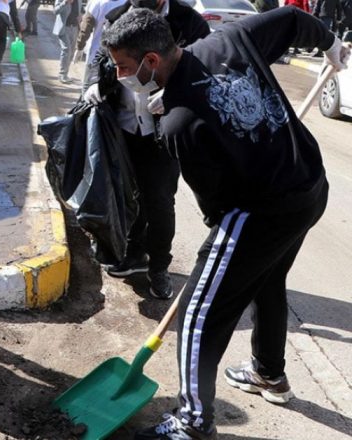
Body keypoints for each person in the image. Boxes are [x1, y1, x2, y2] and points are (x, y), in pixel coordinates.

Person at [100, 8, 349, 439]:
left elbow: (218, 210)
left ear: (151, 61)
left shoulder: (179, 124)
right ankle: (269, 374)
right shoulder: (229, 40)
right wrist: (331, 46)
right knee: (267, 279)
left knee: (198, 313)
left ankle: (193, 422)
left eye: (123, 67)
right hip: (309, 186)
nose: (121, 75)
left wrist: (213, 258)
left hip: (263, 210)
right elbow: (292, 18)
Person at [83, 0, 210, 300]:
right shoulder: (118, 15)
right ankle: (133, 253)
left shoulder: (188, 23)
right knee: (128, 193)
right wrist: (95, 85)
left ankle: (159, 266)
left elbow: (208, 67)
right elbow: (101, 58)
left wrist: (177, 92)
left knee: (159, 200)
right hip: (124, 125)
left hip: (163, 131)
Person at [54, 0, 82, 84]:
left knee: (72, 51)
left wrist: (81, 16)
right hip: (64, 28)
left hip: (74, 28)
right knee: (67, 49)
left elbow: (80, 10)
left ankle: (65, 74)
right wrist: (65, 2)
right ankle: (62, 74)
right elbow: (55, 11)